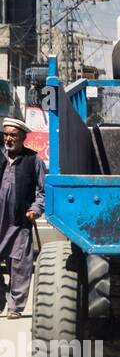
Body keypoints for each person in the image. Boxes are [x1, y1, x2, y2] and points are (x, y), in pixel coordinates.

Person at [0, 117, 44, 318]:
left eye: (13, 135)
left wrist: (36, 208)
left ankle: (15, 307)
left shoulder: (34, 160)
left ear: (23, 137)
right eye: (6, 134)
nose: (9, 139)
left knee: (20, 264)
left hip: (19, 221)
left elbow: (43, 191)